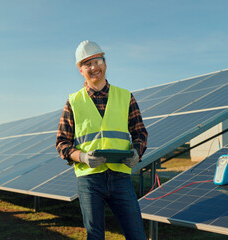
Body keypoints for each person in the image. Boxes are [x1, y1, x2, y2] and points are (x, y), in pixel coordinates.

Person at [56, 40, 148, 240]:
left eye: (96, 61)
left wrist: (136, 153)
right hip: (89, 179)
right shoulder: (73, 101)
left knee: (137, 235)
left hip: (120, 176)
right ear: (81, 70)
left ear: (105, 64)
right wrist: (82, 157)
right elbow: (62, 143)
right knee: (95, 236)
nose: (93, 67)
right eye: (86, 64)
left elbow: (140, 133)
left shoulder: (125, 96)